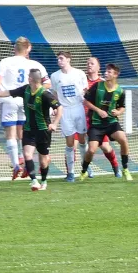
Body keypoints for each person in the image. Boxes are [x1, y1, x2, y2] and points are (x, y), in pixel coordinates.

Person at [0, 69, 62, 191]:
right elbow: (9, 92)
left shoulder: (45, 94)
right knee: (27, 154)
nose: (27, 78)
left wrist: (55, 123)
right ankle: (34, 181)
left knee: (43, 160)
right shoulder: (26, 89)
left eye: (28, 76)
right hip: (29, 130)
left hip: (43, 130)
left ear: (31, 79)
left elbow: (59, 107)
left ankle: (44, 181)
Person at [0, 37, 50, 180]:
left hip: (10, 99)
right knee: (24, 130)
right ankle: (24, 158)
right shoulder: (35, 64)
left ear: (14, 48)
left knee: (10, 133)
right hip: (27, 100)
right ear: (28, 48)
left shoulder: (4, 62)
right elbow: (48, 83)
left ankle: (16, 163)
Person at [81, 63, 132, 181]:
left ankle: (125, 168)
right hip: (96, 123)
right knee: (91, 150)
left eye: (109, 72)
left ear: (116, 74)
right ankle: (84, 170)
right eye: (106, 71)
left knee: (123, 139)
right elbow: (86, 102)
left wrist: (118, 112)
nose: (106, 73)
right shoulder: (97, 86)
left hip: (111, 122)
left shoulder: (119, 91)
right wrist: (98, 111)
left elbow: (122, 106)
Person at [50, 51, 89, 182]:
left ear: (68, 59)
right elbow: (54, 94)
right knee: (70, 142)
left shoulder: (79, 73)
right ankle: (71, 172)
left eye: (61, 58)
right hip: (65, 110)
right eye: (58, 59)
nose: (59, 61)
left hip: (78, 108)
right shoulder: (55, 76)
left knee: (83, 140)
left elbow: (85, 91)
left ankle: (86, 167)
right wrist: (55, 107)